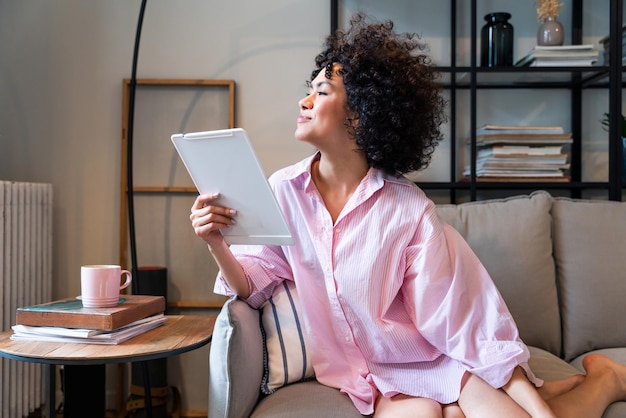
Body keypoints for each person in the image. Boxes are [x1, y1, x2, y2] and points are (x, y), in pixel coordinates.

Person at [190, 13, 626, 418]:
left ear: (360, 118)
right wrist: (217, 243)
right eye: (310, 87)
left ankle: (602, 382)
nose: (304, 101)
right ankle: (597, 380)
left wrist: (537, 410)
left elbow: (461, 322)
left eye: (321, 92)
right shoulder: (285, 192)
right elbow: (253, 286)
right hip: (364, 378)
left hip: (432, 361)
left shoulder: (408, 209)